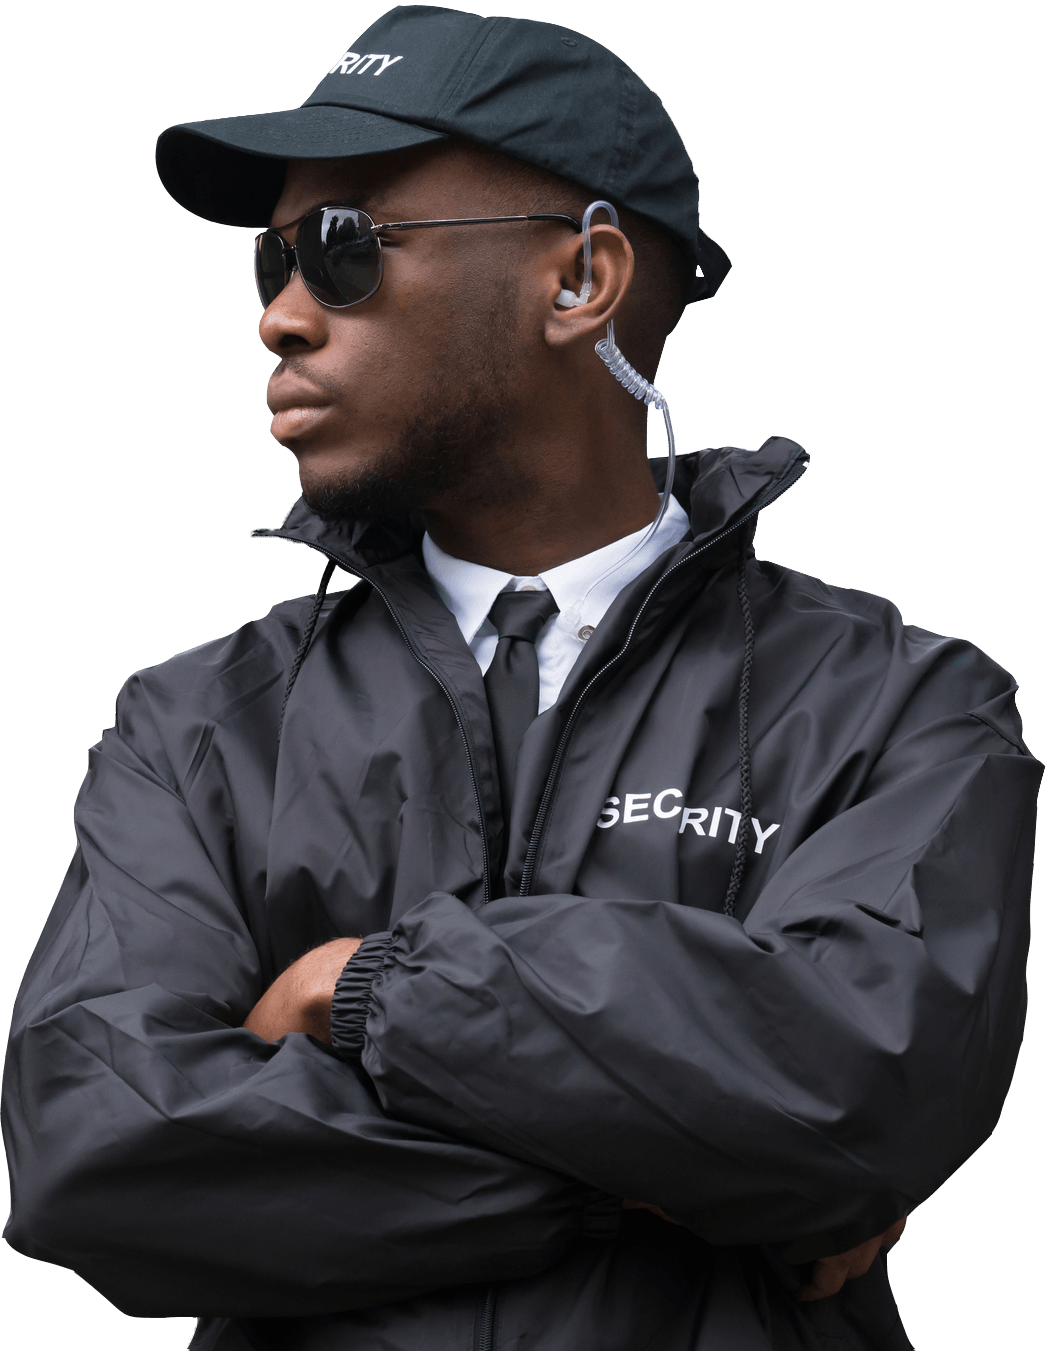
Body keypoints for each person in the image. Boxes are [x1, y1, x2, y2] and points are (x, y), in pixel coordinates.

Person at [2, 7, 1039, 1350]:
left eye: (342, 248)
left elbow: (864, 1093)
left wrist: (367, 987)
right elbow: (98, 1146)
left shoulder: (899, 703)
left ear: (581, 280)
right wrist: (684, 1174)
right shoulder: (199, 723)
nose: (279, 316)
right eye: (272, 258)